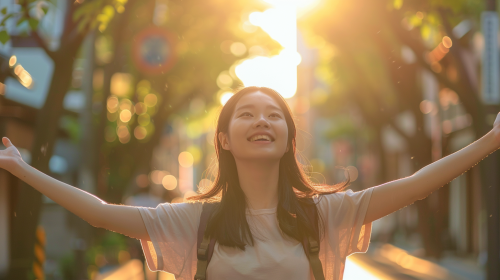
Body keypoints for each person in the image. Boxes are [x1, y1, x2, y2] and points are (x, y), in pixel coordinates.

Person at [1, 86, 500, 280]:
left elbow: (415, 184)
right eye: (247, 114)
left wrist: (489, 141)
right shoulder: (196, 220)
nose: (262, 121)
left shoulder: (324, 214)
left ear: (287, 137)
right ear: (223, 138)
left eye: (273, 115)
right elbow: (101, 212)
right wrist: (21, 169)